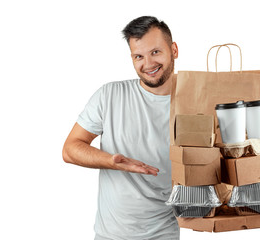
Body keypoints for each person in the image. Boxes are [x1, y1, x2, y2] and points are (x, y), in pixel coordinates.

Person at [62, 16, 179, 240]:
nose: (148, 64)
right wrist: (112, 162)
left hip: (164, 233)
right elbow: (70, 149)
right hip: (111, 235)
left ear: (173, 49)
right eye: (138, 56)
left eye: (155, 52)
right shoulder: (110, 95)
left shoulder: (196, 100)